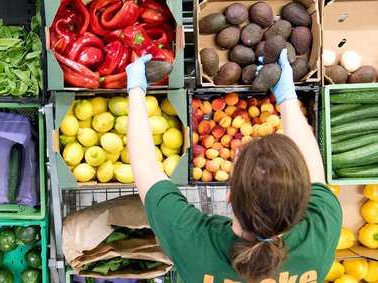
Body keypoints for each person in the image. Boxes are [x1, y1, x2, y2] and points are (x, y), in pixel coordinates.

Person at [126, 49, 342, 282]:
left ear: (229, 195)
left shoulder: (193, 241)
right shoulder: (322, 229)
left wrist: (136, 88)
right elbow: (315, 172)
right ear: (302, 199)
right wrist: (287, 97)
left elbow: (145, 165)